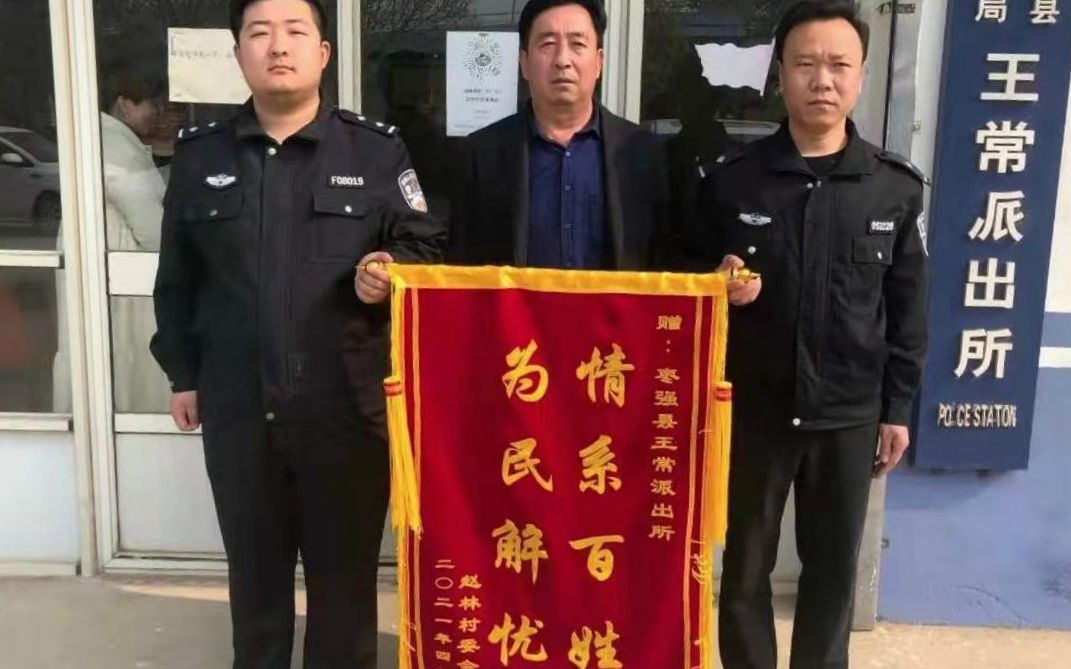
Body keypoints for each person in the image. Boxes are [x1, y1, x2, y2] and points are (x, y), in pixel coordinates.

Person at [150, 1, 444, 666]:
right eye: (259, 33)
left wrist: (390, 270)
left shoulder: (374, 151)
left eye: (294, 31)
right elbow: (177, 278)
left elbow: (426, 246)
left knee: (343, 593)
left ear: (323, 53)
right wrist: (182, 374)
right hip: (239, 409)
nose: (277, 46)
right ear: (238, 54)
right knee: (255, 587)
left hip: (346, 411)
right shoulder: (201, 155)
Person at [686, 3, 929, 668]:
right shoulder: (732, 181)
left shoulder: (892, 188)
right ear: (780, 75)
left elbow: (907, 308)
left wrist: (897, 407)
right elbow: (684, 276)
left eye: (838, 64)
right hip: (754, 413)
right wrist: (715, 280)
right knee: (744, 570)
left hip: (848, 415)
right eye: (806, 64)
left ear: (860, 75)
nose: (822, 79)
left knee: (831, 574)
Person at [447, 0, 671, 270]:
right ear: (524, 63)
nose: (562, 60)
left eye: (577, 44)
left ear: (599, 62)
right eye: (548, 44)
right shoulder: (480, 155)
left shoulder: (646, 154)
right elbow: (459, 265)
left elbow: (669, 260)